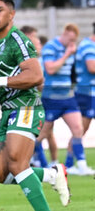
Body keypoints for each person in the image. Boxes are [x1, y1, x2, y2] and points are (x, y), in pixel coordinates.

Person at [0, 0, 70, 209]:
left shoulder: (18, 39)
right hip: (8, 112)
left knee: (17, 163)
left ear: (11, 14)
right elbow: (10, 79)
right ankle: (52, 174)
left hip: (27, 107)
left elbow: (36, 76)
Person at [38, 23, 94, 176]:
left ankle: (75, 165)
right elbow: (50, 69)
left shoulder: (70, 49)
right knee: (42, 134)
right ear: (66, 32)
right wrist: (67, 54)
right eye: (71, 39)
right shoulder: (50, 47)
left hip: (67, 97)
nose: (72, 43)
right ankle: (36, 160)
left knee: (78, 129)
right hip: (51, 98)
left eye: (74, 41)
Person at [20, 26, 58, 168]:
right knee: (42, 133)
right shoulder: (30, 60)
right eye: (37, 43)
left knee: (43, 132)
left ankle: (44, 162)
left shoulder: (39, 60)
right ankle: (44, 162)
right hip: (35, 102)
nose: (39, 46)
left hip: (42, 101)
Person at [73, 22, 95, 175]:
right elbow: (92, 67)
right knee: (80, 129)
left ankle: (71, 163)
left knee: (80, 129)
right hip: (88, 92)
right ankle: (72, 164)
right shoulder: (88, 46)